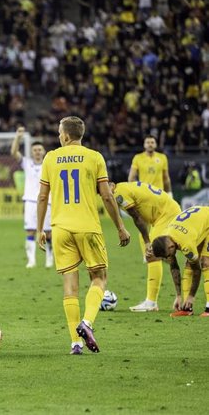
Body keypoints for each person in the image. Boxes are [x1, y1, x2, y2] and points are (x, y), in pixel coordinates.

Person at [36, 116, 130, 355]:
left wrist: (39, 229)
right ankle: (87, 323)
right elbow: (107, 196)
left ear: (66, 136)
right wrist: (120, 226)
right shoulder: (95, 157)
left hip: (60, 229)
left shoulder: (50, 158)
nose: (59, 136)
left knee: (70, 286)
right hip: (87, 226)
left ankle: (74, 344)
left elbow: (42, 197)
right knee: (99, 277)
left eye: (59, 133)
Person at [108, 181, 181, 312]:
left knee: (152, 254)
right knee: (145, 242)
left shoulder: (119, 193)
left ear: (111, 184)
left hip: (167, 214)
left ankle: (151, 302)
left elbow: (137, 218)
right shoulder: (123, 187)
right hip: (160, 216)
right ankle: (152, 300)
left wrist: (148, 242)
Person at [151, 206, 209, 317]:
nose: (168, 259)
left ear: (171, 247)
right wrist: (178, 295)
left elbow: (197, 270)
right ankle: (187, 308)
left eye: (168, 256)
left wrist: (192, 296)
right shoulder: (165, 238)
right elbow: (174, 266)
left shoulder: (185, 243)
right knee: (189, 263)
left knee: (206, 263)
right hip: (196, 225)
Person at [10, 127, 53, 268]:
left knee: (48, 232)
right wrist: (18, 137)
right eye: (35, 150)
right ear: (32, 152)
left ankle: (49, 258)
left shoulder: (49, 164)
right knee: (30, 230)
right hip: (30, 201)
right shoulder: (27, 163)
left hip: (47, 201)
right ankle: (31, 260)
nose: (37, 152)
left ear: (44, 152)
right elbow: (13, 152)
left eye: (40, 150)